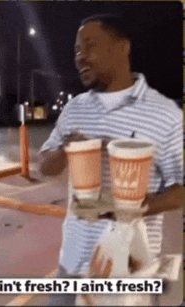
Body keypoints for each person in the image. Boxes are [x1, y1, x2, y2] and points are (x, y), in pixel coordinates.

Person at [38, 14, 183, 306]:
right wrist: (67, 147)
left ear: (122, 48)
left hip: (128, 270)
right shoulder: (74, 109)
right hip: (72, 264)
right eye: (77, 51)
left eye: (89, 46)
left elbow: (180, 189)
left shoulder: (165, 115)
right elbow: (44, 166)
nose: (80, 57)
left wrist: (130, 207)